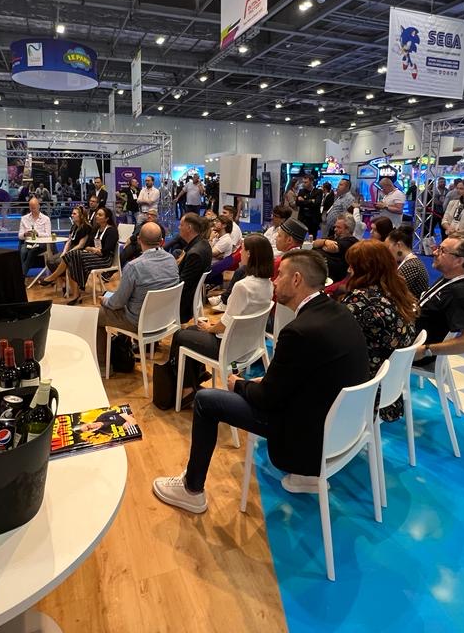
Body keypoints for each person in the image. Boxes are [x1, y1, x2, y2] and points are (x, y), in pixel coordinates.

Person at [152, 250, 370, 512]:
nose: (275, 281)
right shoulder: (338, 311)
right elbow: (306, 376)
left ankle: (192, 489)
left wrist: (239, 385)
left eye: (281, 275)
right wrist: (263, 384)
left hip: (307, 434)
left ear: (297, 279)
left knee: (206, 401)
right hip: (343, 429)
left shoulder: (300, 330)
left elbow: (267, 399)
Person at [164, 235, 276, 406]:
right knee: (191, 332)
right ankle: (194, 381)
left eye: (243, 250)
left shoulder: (243, 286)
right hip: (248, 345)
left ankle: (185, 388)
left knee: (180, 335)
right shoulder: (268, 285)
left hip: (228, 348)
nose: (240, 254)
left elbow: (225, 324)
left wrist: (209, 328)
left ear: (250, 254)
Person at [339, 240, 418, 422]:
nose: (349, 270)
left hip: (366, 390)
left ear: (363, 269)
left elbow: (336, 338)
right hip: (390, 386)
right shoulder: (397, 291)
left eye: (353, 265)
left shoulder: (363, 302)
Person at [97, 222, 180, 368]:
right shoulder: (171, 260)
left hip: (139, 322)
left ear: (140, 240)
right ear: (162, 241)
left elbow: (117, 303)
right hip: (164, 319)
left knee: (98, 315)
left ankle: (103, 364)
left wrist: (105, 301)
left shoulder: (134, 266)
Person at [413, 234, 464, 366]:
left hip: (413, 351)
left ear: (459, 261)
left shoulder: (460, 293)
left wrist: (426, 350)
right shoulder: (450, 276)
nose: (435, 252)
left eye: (442, 251)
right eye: (438, 248)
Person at [41, 206, 117, 304]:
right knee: (72, 263)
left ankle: (53, 277)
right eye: (97, 214)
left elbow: (106, 251)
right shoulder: (96, 229)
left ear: (107, 218)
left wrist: (93, 249)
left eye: (100, 215)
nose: (97, 216)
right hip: (94, 255)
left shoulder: (111, 231)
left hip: (104, 259)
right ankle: (76, 295)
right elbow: (87, 246)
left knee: (72, 255)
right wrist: (92, 249)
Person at [176, 213, 213, 323]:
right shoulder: (203, 243)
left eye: (181, 225)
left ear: (189, 228)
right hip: (191, 296)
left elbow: (183, 284)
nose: (179, 227)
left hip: (183, 304)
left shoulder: (195, 254)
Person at [45, 206, 91, 276]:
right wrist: (64, 252)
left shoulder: (86, 227)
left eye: (74, 214)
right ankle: (61, 280)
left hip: (78, 252)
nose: (72, 215)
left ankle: (63, 279)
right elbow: (69, 241)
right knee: (50, 261)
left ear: (81, 216)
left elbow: (80, 245)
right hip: (70, 250)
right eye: (72, 213)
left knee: (57, 262)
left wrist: (68, 253)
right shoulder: (74, 226)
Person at [312, 213, 358, 284]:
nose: (335, 229)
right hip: (318, 272)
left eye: (339, 227)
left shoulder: (351, 241)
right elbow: (315, 243)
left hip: (334, 278)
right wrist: (325, 241)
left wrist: (322, 244)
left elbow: (332, 248)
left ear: (348, 229)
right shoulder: (334, 237)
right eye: (335, 227)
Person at [386, 226, 430, 298]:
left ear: (399, 245)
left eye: (388, 247)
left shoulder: (411, 267)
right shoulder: (409, 262)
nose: (387, 251)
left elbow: (392, 293)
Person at [17, 197, 52, 276]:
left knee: (32, 252)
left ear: (39, 206)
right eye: (31, 208)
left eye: (35, 208)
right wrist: (25, 234)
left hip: (41, 244)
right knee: (22, 251)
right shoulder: (24, 219)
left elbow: (48, 235)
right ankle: (20, 274)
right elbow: (20, 236)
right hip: (28, 243)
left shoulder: (46, 219)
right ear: (29, 207)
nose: (33, 210)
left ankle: (21, 276)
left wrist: (37, 234)